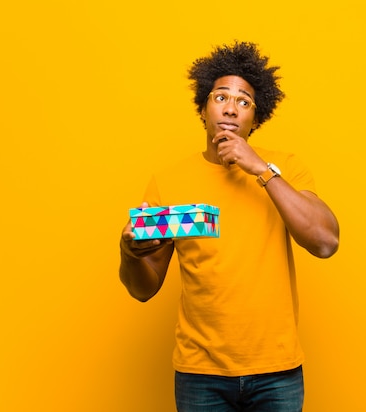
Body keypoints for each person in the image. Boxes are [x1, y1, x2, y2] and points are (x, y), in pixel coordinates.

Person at [119, 41, 340, 412]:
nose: (230, 108)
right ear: (203, 110)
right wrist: (128, 253)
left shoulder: (287, 167)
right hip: (199, 375)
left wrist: (261, 170)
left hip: (277, 373)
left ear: (256, 117)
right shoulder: (168, 181)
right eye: (221, 96)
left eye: (244, 101)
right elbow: (144, 288)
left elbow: (325, 242)